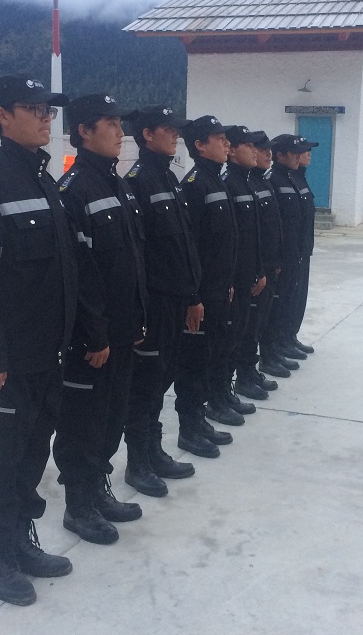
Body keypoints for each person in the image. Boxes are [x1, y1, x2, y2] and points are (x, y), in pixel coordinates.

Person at [0, 73, 76, 607]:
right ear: (2, 115)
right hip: (7, 360)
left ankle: (21, 541)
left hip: (47, 354)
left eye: (49, 110)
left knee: (30, 455)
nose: (46, 118)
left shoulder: (44, 181)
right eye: (34, 108)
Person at [53, 93, 147, 546]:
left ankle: (98, 490)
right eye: (110, 124)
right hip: (94, 339)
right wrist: (95, 334)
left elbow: (132, 262)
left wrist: (138, 320)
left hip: (123, 331)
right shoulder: (74, 191)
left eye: (120, 123)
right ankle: (78, 505)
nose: (120, 132)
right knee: (83, 423)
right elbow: (80, 275)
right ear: (84, 131)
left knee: (111, 418)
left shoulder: (118, 186)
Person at [122, 105, 202, 497]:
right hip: (154, 304)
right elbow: (139, 255)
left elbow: (182, 245)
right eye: (168, 130)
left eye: (177, 130)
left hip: (175, 302)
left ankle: (154, 451)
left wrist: (191, 296)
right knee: (145, 386)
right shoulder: (137, 181)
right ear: (147, 135)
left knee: (161, 380)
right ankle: (138, 461)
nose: (176, 136)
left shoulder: (168, 177)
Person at [174, 115, 238, 458]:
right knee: (193, 363)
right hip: (200, 295)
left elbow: (224, 242)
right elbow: (193, 247)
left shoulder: (216, 180)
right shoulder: (195, 184)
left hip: (217, 289)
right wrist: (194, 295)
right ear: (199, 145)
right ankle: (189, 428)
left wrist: (227, 283)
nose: (226, 143)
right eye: (218, 138)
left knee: (210, 355)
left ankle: (200, 420)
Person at [218, 125, 267, 417]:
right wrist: (234, 279)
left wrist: (259, 270)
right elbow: (229, 241)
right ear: (234, 151)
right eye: (249, 146)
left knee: (240, 336)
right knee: (226, 342)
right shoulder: (228, 184)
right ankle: (220, 395)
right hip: (233, 280)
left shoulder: (246, 183)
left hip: (250, 276)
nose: (256, 152)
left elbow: (254, 236)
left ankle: (229, 390)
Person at [233, 131, 282, 399]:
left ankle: (249, 372)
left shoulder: (258, 182)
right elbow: (241, 237)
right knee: (245, 329)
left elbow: (268, 230)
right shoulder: (238, 183)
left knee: (256, 324)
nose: (263, 153)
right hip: (246, 273)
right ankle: (241, 378)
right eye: (255, 147)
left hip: (263, 267)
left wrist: (270, 264)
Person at [260, 134, 310, 378]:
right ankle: (273, 349)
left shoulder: (294, 178)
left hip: (298, 252)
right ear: (281, 155)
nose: (301, 156)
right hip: (283, 256)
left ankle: (287, 339)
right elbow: (276, 224)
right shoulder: (273, 179)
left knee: (293, 299)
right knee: (277, 305)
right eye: (295, 152)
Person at [286, 143, 318, 356]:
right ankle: (280, 343)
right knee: (286, 301)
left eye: (308, 151)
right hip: (291, 253)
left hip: (302, 251)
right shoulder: (282, 179)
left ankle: (290, 337)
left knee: (298, 298)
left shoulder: (299, 178)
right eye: (301, 151)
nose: (306, 155)